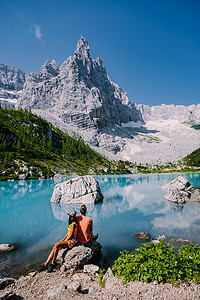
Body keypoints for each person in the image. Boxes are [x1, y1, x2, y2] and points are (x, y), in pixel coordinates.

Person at [35, 209, 78, 274]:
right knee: (54, 247)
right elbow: (68, 233)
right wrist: (63, 239)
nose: (67, 215)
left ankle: (53, 263)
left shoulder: (73, 224)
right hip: (69, 240)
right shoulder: (71, 223)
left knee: (57, 244)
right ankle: (46, 264)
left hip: (72, 241)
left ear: (70, 216)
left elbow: (71, 235)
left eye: (68, 214)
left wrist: (65, 241)